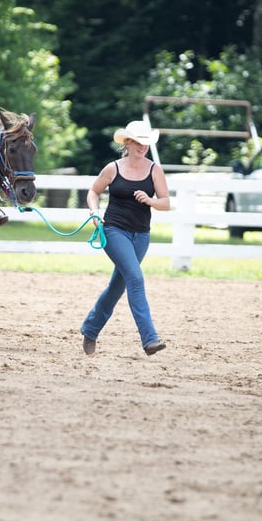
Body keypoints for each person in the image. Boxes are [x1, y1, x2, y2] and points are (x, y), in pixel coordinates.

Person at [80, 120, 170, 356]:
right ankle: (150, 339)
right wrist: (94, 212)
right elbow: (93, 191)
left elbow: (166, 203)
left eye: (146, 144)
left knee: (117, 286)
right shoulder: (113, 168)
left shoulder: (154, 170)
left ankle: (90, 329)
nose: (143, 147)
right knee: (136, 279)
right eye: (139, 143)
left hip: (141, 235)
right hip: (113, 231)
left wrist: (150, 201)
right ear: (128, 143)